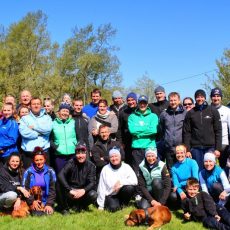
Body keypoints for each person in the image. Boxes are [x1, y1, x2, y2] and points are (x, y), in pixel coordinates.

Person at [183, 89, 222, 170]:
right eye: (197, 97)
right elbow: (187, 133)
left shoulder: (212, 110)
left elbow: (218, 130)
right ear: (195, 98)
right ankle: (200, 183)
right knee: (198, 169)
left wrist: (218, 149)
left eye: (202, 97)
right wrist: (187, 149)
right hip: (196, 148)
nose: (200, 99)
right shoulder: (190, 113)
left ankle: (211, 183)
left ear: (205, 98)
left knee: (210, 168)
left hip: (210, 147)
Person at [57, 142, 97, 215]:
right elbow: (60, 175)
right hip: (71, 192)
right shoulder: (71, 162)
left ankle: (80, 207)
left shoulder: (91, 165)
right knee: (59, 183)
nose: (80, 156)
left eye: (82, 153)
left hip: (82, 192)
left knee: (93, 194)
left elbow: (92, 182)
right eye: (78, 153)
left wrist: (84, 190)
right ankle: (65, 208)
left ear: (86, 154)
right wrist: (69, 189)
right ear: (75, 154)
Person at [97, 148, 137, 212]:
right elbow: (101, 187)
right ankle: (117, 204)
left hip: (122, 193)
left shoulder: (126, 167)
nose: (114, 158)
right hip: (111, 194)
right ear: (109, 158)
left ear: (120, 157)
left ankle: (124, 204)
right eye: (112, 157)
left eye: (116, 156)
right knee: (113, 208)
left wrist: (121, 182)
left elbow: (135, 181)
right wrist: (101, 205)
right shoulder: (105, 169)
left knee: (129, 188)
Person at [19, 97, 53, 168]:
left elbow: (48, 130)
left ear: (41, 105)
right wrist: (38, 134)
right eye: (34, 104)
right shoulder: (24, 119)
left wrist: (34, 128)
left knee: (45, 177)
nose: (36, 106)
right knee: (29, 177)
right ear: (30, 106)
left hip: (44, 152)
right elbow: (24, 133)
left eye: (38, 104)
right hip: (29, 154)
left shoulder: (47, 118)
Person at [128, 95, 158, 173]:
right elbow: (132, 131)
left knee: (151, 171)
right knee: (138, 171)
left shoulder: (153, 116)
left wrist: (139, 133)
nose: (142, 105)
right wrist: (147, 129)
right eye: (140, 103)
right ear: (138, 104)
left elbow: (153, 131)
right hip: (137, 147)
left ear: (147, 104)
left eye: (144, 103)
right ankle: (140, 185)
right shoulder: (132, 117)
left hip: (150, 147)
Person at [22, 147, 56, 215]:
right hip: (33, 200)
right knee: (37, 214)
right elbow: (26, 189)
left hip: (46, 200)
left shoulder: (50, 171)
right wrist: (32, 201)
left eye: (41, 159)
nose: (39, 162)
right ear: (33, 161)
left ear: (45, 160)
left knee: (48, 213)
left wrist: (49, 204)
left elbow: (52, 190)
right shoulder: (28, 172)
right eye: (37, 160)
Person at [159, 92, 187, 171]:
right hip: (169, 147)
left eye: (175, 100)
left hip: (180, 147)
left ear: (179, 101)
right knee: (171, 169)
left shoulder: (185, 113)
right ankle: (172, 183)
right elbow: (161, 128)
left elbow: (187, 129)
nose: (173, 102)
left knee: (181, 168)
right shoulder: (164, 114)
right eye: (171, 100)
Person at [51, 103, 77, 174]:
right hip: (59, 155)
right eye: (63, 111)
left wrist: (76, 145)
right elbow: (49, 138)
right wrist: (56, 147)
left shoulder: (73, 122)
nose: (65, 113)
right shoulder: (53, 124)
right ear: (59, 112)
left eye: (67, 111)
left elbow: (79, 136)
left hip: (72, 153)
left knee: (72, 175)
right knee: (61, 175)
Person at [210, 87, 230, 169]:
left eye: (218, 96)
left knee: (224, 167)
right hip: (210, 143)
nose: (216, 98)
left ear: (221, 97)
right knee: (210, 165)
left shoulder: (227, 110)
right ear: (211, 97)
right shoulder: (207, 109)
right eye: (214, 96)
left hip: (224, 144)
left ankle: (224, 181)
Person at [117, 92, 137, 165]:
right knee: (128, 162)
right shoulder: (123, 112)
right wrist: (120, 142)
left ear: (136, 100)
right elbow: (119, 128)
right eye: (128, 100)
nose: (131, 102)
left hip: (138, 141)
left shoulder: (139, 111)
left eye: (132, 100)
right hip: (127, 142)